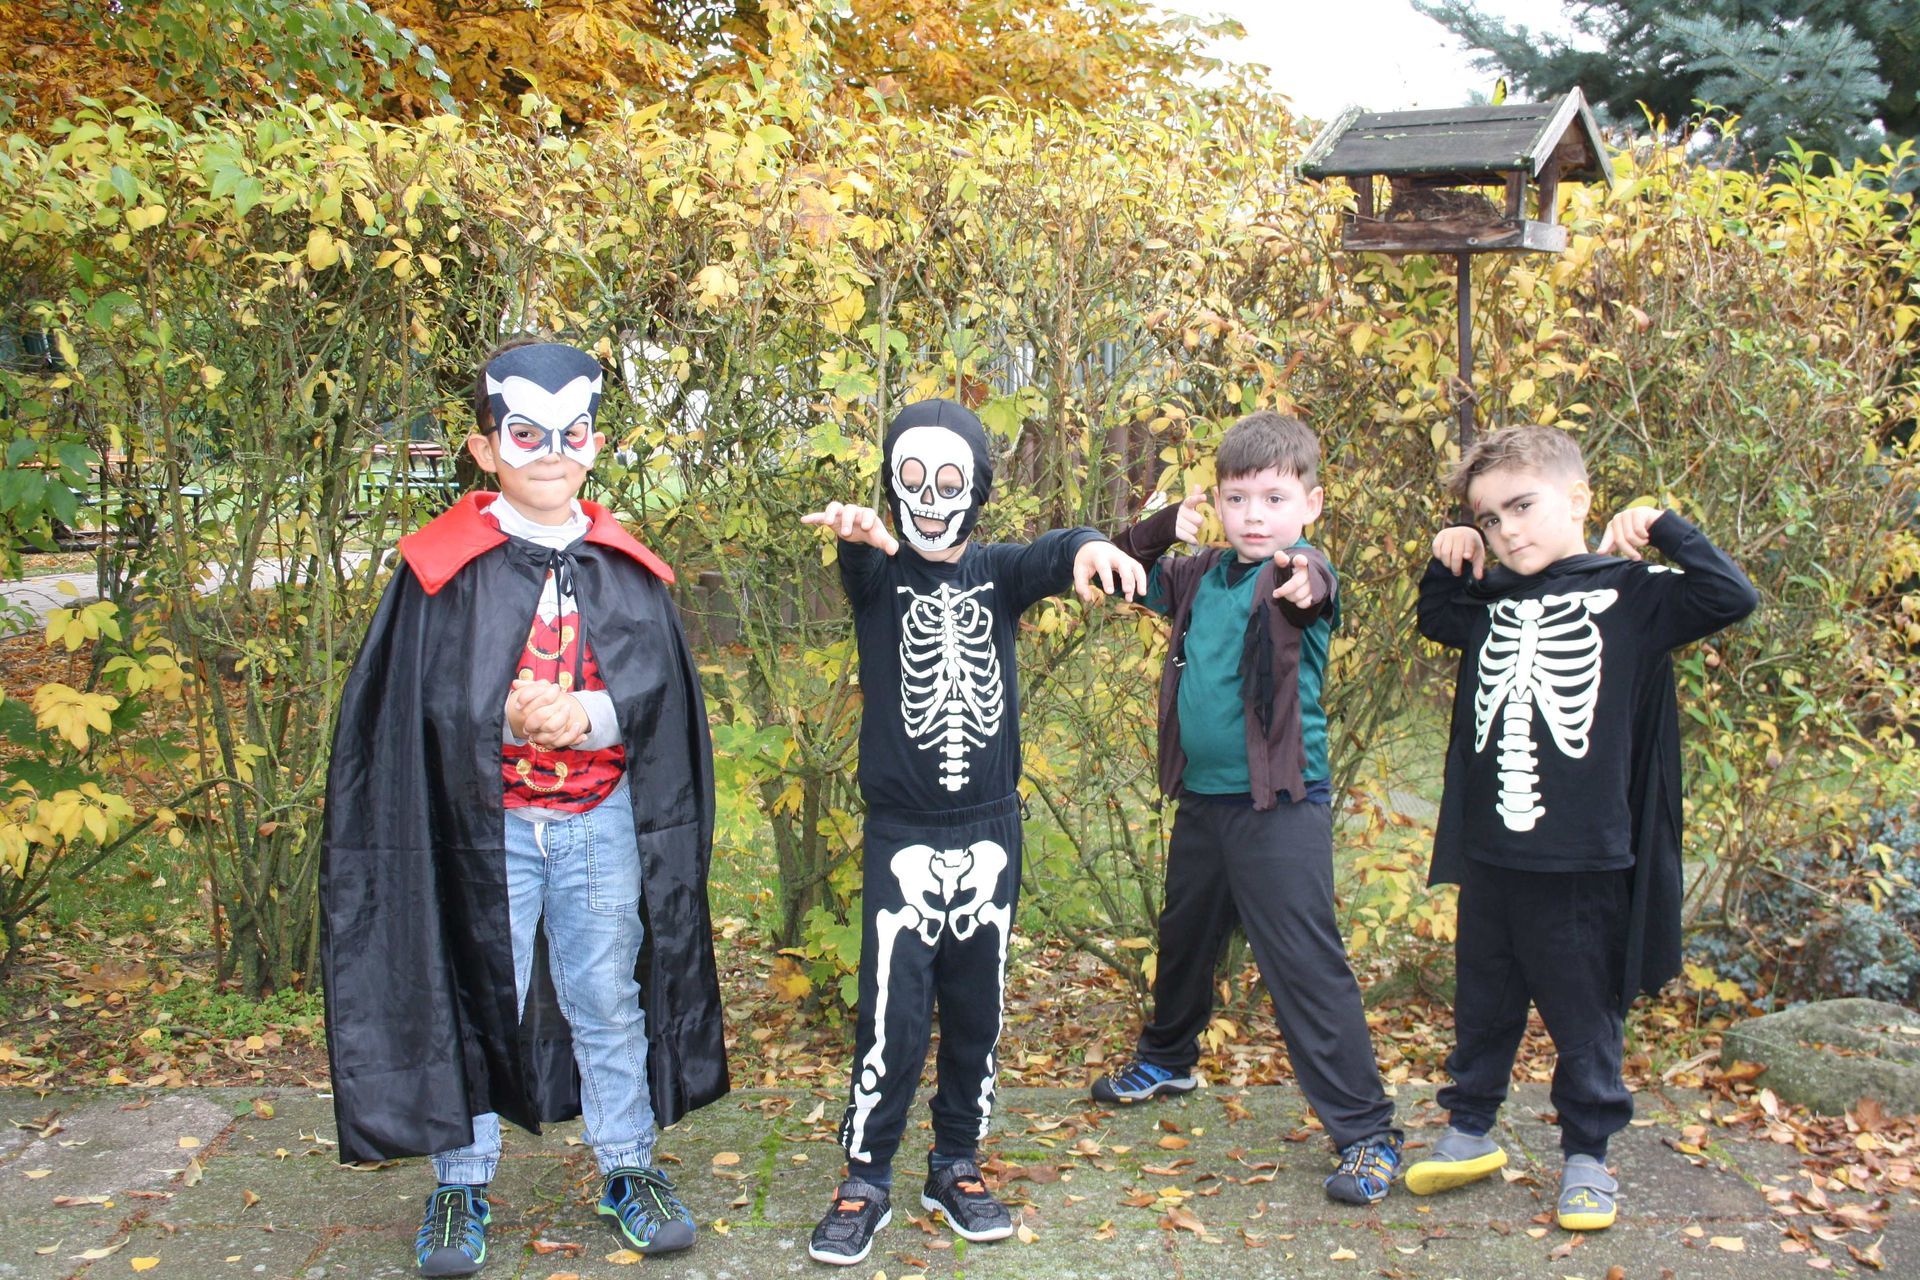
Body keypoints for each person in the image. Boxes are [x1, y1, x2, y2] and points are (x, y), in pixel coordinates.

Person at [319, 339, 728, 1277]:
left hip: (601, 825)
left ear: (594, 443)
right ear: (483, 446)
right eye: (526, 433)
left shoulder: (627, 565)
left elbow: (659, 699)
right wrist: (496, 713)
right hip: (482, 831)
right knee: (473, 990)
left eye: (572, 432)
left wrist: (584, 715)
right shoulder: (441, 567)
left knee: (606, 999)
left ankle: (628, 1166)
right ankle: (461, 1180)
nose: (551, 450)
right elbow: (410, 705)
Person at [799, 398, 1145, 1266]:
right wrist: (854, 534)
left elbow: (1054, 552)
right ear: (890, 482)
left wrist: (1090, 545)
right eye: (909, 477)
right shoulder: (881, 578)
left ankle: (957, 1160)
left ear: (978, 488)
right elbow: (860, 561)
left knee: (976, 1007)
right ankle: (866, 1172)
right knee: (891, 1013)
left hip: (989, 829)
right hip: (903, 834)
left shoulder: (998, 573)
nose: (926, 495)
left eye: (947, 480)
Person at [1409, 424, 1757, 1231]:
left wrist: (1661, 526)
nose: (1508, 531)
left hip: (1582, 856)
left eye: (1522, 507)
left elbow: (1729, 595)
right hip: (1493, 850)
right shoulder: (1490, 598)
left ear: (1579, 499)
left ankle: (1587, 1155)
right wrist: (1450, 551)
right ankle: (1469, 1131)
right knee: (1484, 998)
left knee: (1583, 1011)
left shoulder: (1635, 595)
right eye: (1491, 519)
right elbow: (1436, 616)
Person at [1090, 409, 1405, 1206]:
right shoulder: (1199, 575)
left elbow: (1315, 591)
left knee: (1303, 963)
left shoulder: (1301, 573)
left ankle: (1368, 1133)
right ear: (1219, 504)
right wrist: (1165, 524)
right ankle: (1169, 1060)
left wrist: (1308, 578)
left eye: (1273, 498)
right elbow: (1116, 570)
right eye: (1237, 499)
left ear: (1311, 504)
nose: (1254, 516)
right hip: (1204, 800)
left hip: (1281, 807)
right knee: (1186, 937)